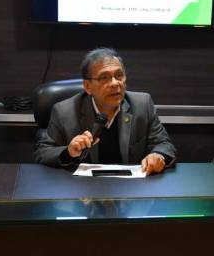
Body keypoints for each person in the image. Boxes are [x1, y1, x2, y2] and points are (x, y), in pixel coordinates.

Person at [34, 47, 176, 175]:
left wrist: (158, 155)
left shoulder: (142, 105)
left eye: (119, 75)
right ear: (87, 86)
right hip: (84, 190)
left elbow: (164, 144)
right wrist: (68, 153)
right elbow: (43, 152)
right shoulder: (65, 111)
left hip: (131, 188)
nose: (115, 83)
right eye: (104, 78)